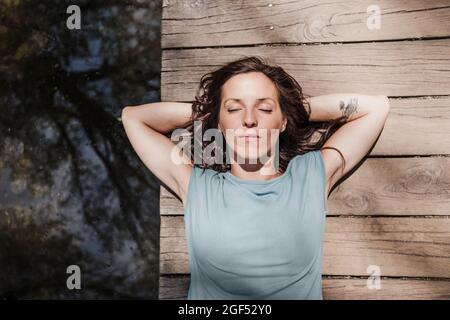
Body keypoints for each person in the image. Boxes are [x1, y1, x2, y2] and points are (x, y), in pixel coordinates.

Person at [121, 56, 390, 299]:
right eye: (235, 109)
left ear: (282, 122)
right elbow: (133, 118)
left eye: (264, 109)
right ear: (218, 124)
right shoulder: (198, 186)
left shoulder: (309, 177)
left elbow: (374, 108)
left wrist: (293, 109)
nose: (249, 119)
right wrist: (209, 113)